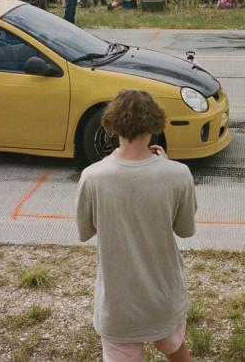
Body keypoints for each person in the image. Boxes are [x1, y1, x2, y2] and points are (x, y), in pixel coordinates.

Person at [76, 89, 196, 362]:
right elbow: (185, 229)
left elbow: (86, 230)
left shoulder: (92, 177)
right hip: (164, 299)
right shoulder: (179, 174)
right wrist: (166, 168)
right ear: (155, 125)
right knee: (176, 351)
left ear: (111, 125)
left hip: (117, 306)